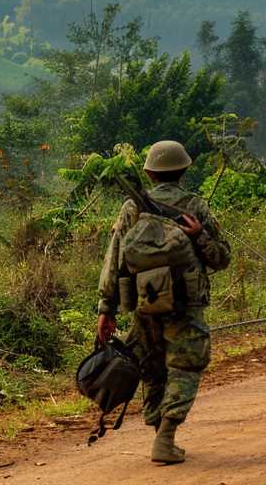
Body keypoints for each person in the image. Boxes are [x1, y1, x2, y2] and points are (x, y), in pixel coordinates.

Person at [96, 140, 231, 465]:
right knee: (185, 366)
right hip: (186, 305)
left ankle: (159, 431)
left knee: (152, 369)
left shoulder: (131, 208)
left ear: (148, 171)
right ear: (185, 170)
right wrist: (199, 236)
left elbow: (114, 260)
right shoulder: (195, 206)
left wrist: (105, 308)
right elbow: (221, 259)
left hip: (144, 304)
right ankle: (167, 435)